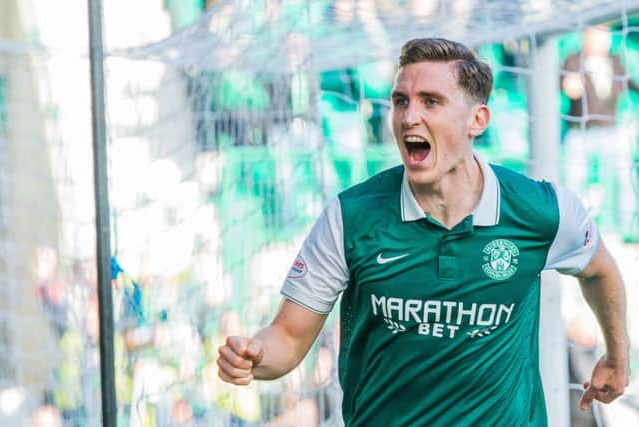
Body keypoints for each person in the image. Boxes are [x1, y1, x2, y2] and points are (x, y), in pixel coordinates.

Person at [217, 37, 630, 426]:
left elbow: (599, 269)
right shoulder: (351, 216)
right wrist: (254, 358)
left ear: (477, 120)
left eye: (430, 102)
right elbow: (288, 337)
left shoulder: (540, 210)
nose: (409, 117)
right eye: (401, 101)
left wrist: (616, 354)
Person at [561, 25, 639, 238]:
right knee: (576, 180)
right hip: (581, 132)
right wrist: (570, 85)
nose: (601, 41)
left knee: (622, 177)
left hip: (610, 130)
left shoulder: (615, 60)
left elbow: (630, 84)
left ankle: (627, 229)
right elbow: (567, 87)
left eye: (604, 37)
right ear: (586, 37)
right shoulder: (573, 60)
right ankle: (575, 230)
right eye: (596, 36)